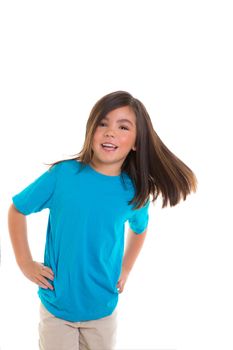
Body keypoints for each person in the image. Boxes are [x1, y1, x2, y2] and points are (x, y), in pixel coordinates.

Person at [8, 90, 198, 350]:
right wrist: (24, 262)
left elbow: (139, 230)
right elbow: (17, 209)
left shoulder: (135, 192)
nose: (110, 132)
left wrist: (126, 268)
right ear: (91, 130)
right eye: (103, 123)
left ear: (136, 142)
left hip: (102, 309)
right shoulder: (63, 175)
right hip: (57, 307)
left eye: (123, 127)